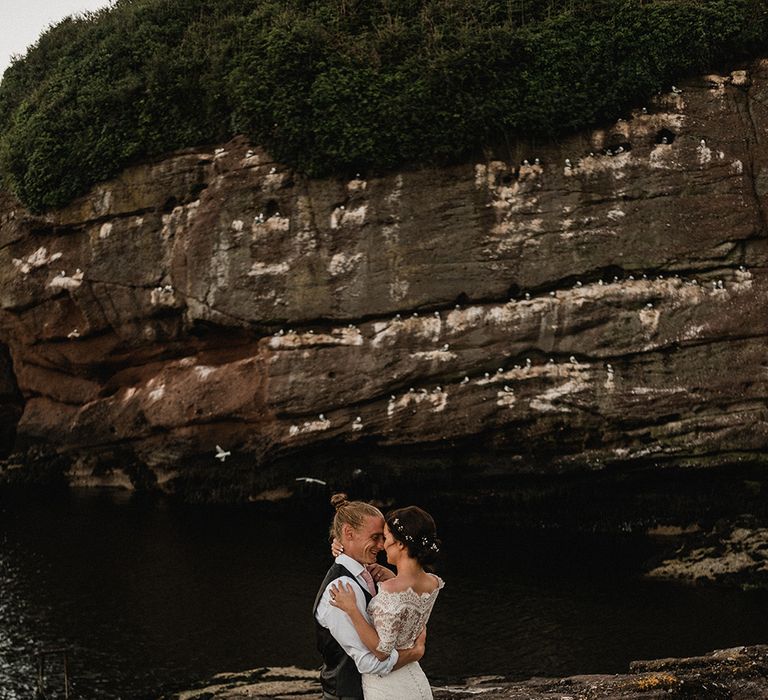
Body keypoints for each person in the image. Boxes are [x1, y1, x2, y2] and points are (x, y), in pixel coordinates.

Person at [314, 494, 427, 700]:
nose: (382, 545)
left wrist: (392, 580)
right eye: (375, 537)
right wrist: (413, 654)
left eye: (383, 537)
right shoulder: (340, 590)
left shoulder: (373, 575)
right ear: (348, 533)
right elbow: (369, 662)